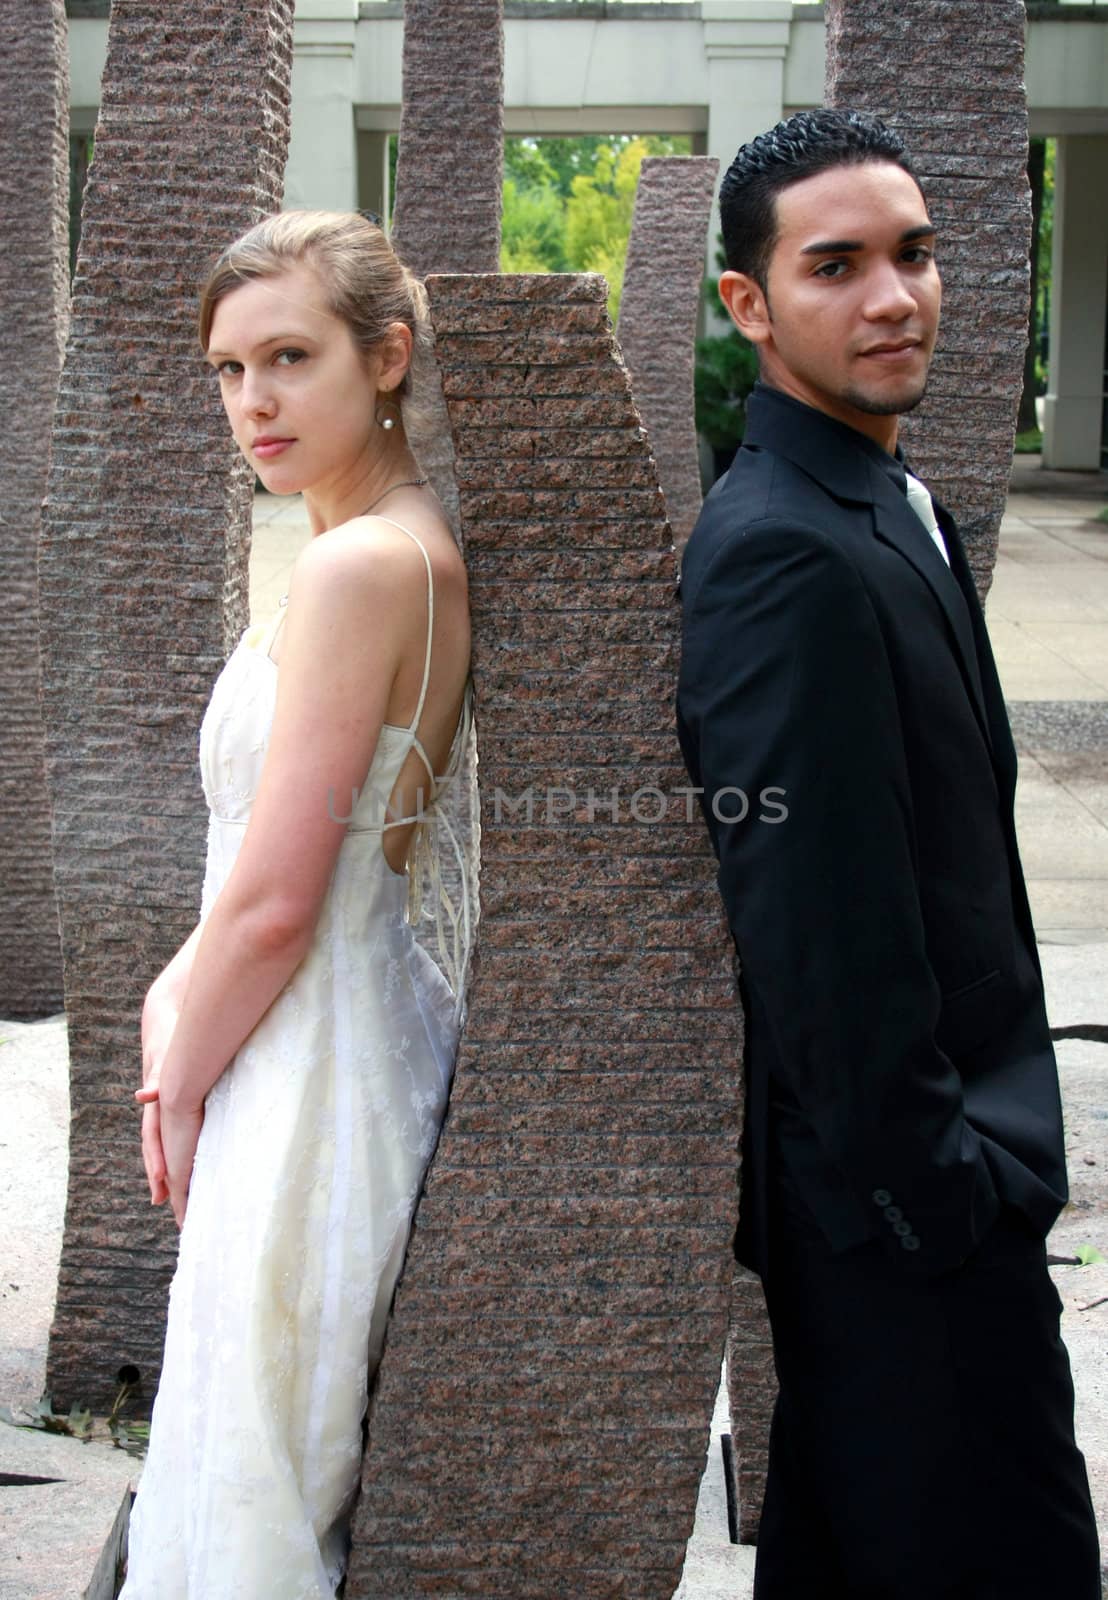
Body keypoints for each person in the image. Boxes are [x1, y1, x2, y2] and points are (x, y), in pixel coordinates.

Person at [676, 110, 1101, 1598]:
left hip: (930, 1196)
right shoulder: (780, 543)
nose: (894, 296)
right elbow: (811, 925)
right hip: (902, 1220)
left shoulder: (887, 497)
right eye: (837, 265)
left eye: (914, 255)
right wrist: (942, 1195)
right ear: (751, 303)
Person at [119, 211, 473, 1598]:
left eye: (289, 358)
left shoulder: (358, 566)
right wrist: (173, 991)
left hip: (302, 1069)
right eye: (226, 370)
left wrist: (179, 1082)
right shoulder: (388, 542)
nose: (252, 403)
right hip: (328, 1034)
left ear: (387, 358)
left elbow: (277, 901)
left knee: (254, 1493)